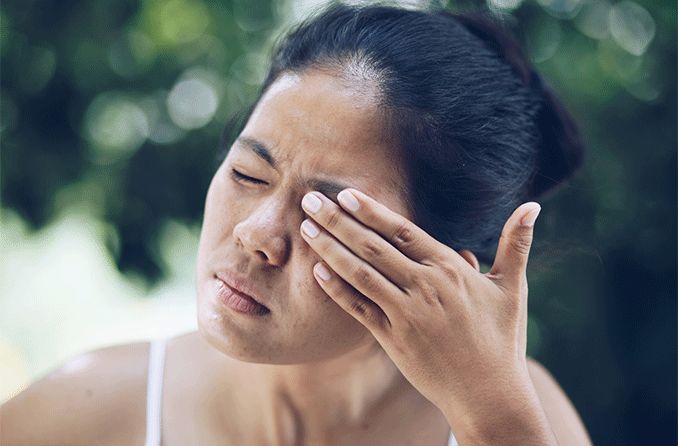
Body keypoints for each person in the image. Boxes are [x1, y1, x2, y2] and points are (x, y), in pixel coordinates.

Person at [1, 3, 593, 445]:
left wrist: (497, 423)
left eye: (325, 218)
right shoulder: (89, 409)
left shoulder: (520, 417)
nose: (255, 235)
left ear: (437, 270)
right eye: (248, 175)